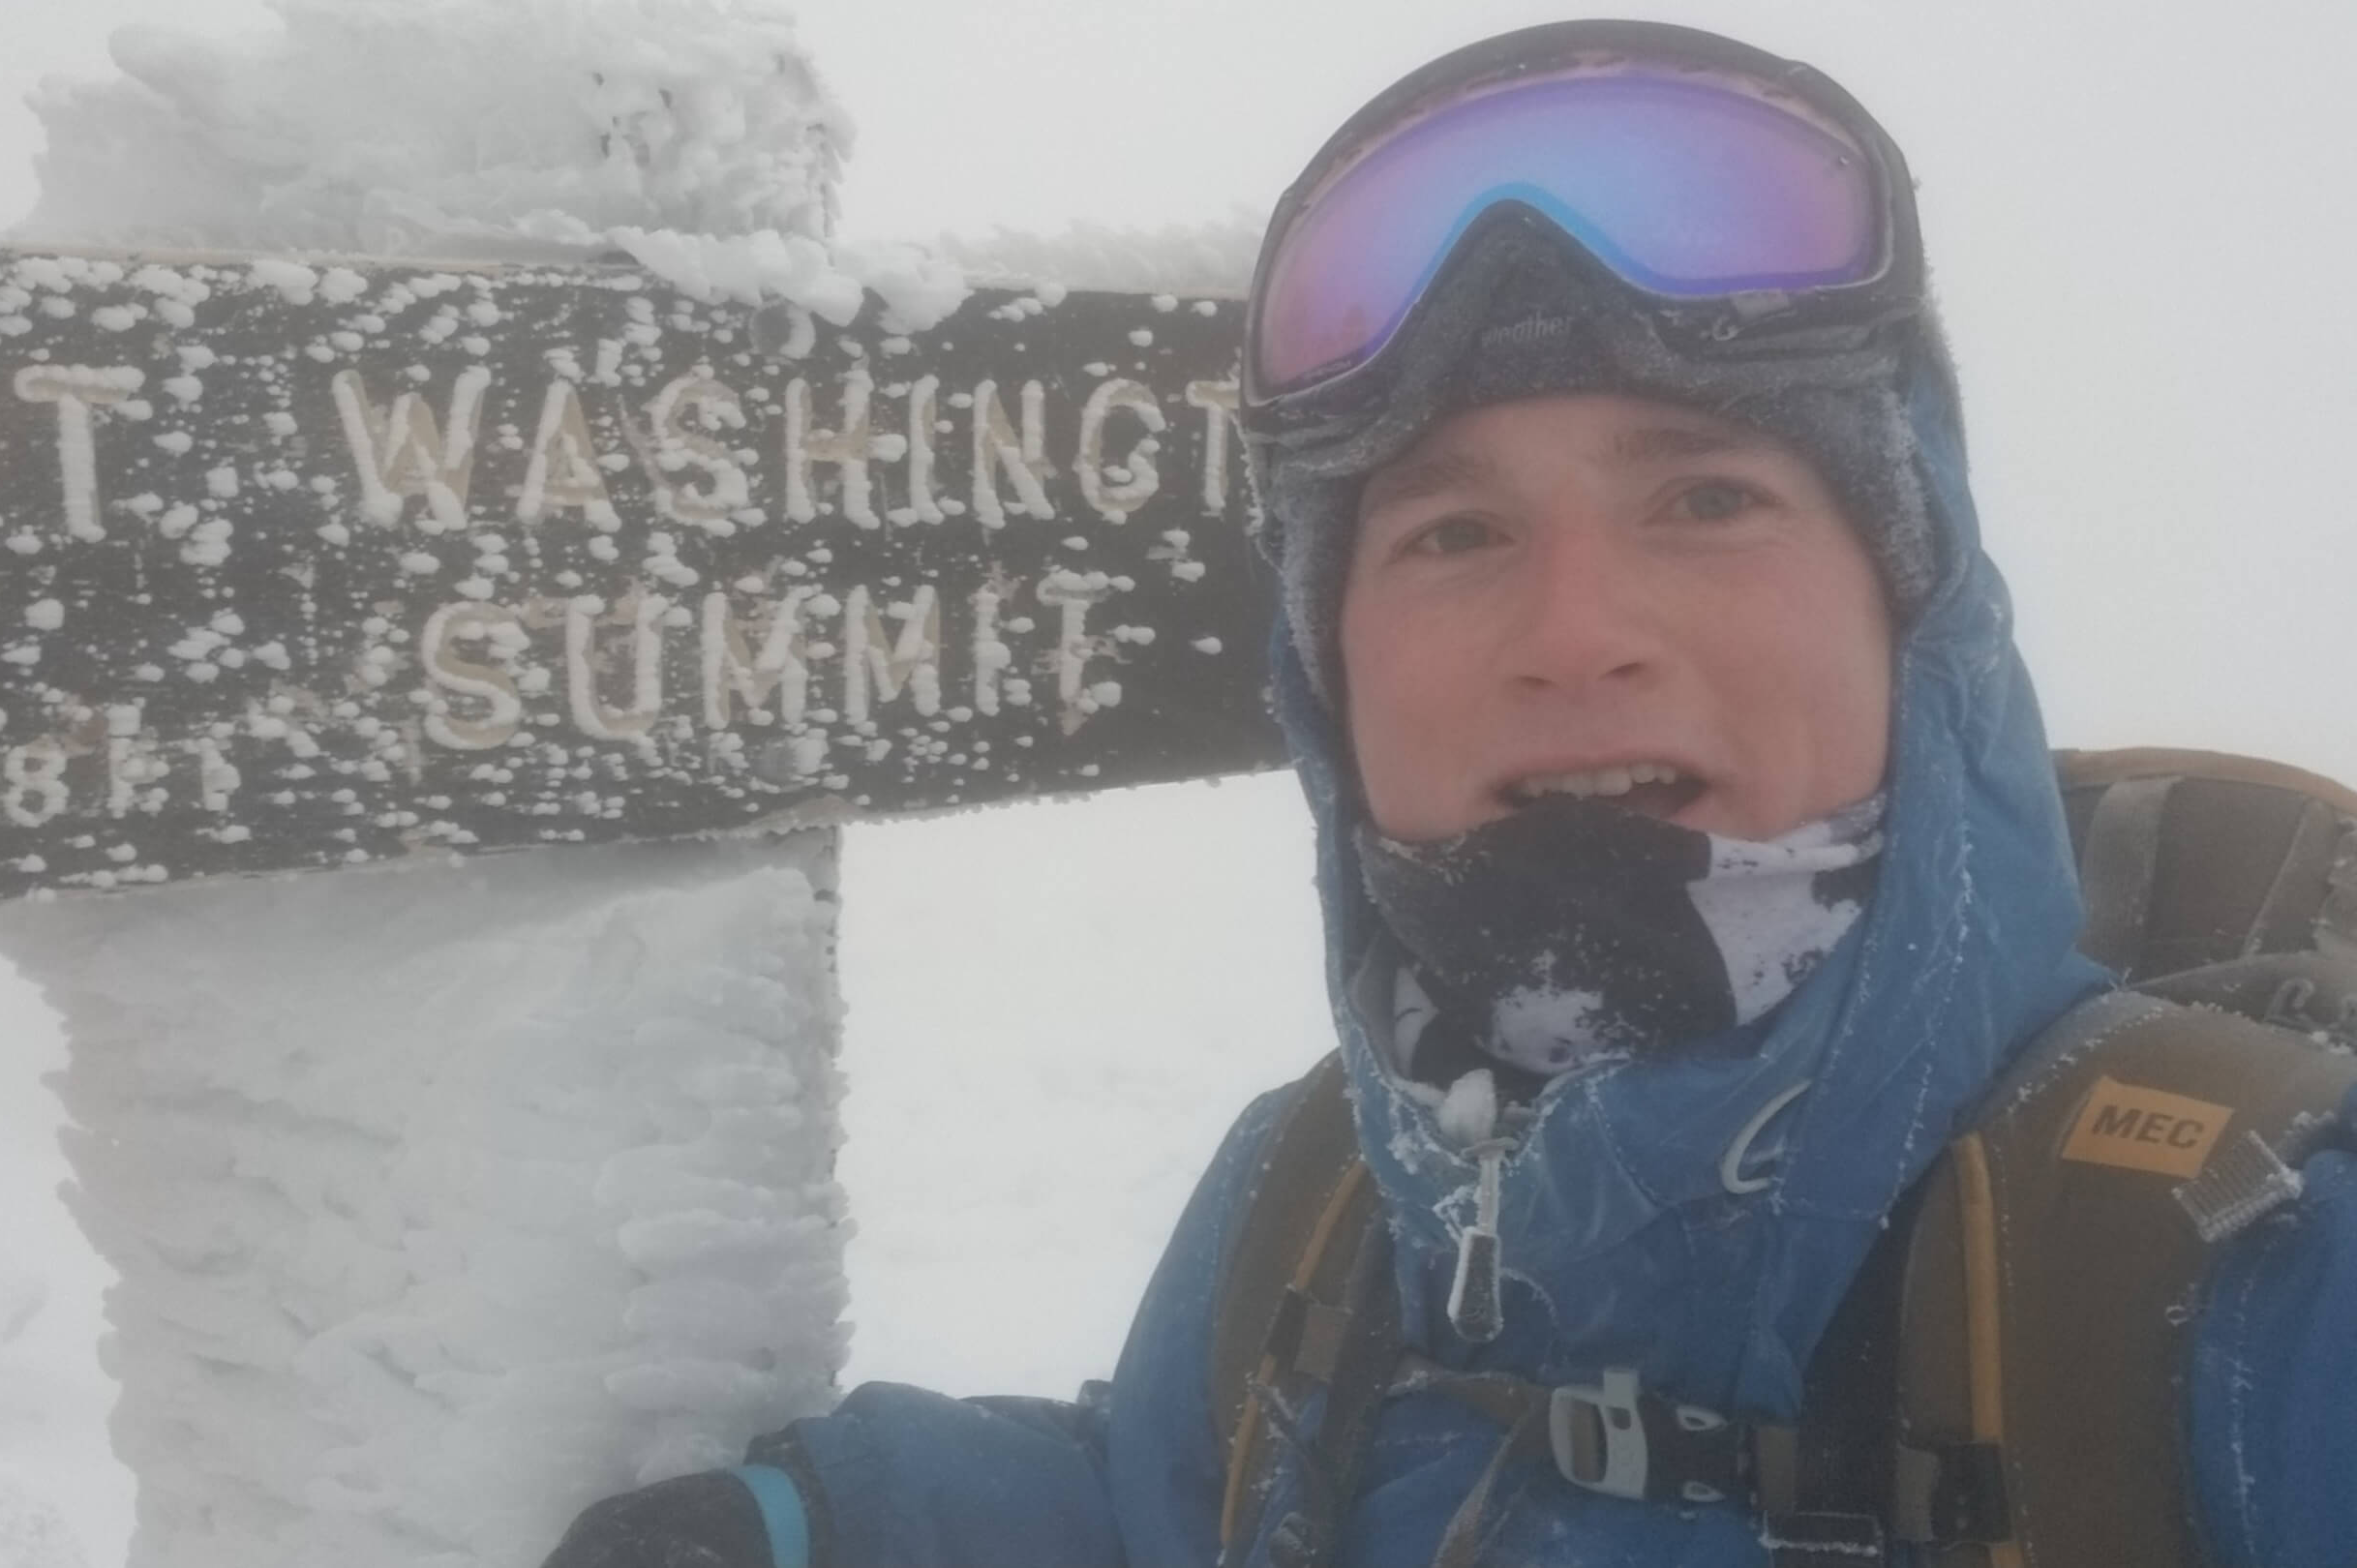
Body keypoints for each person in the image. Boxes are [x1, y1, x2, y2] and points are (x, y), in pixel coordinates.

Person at [544, 20, 2357, 1567]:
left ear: (1915, 606)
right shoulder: (1316, 1194)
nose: (1574, 633)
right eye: (1455, 532)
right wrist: (831, 1524)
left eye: (1707, 499)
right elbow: (1192, 1503)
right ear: (1327, 676)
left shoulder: (2267, 1287)